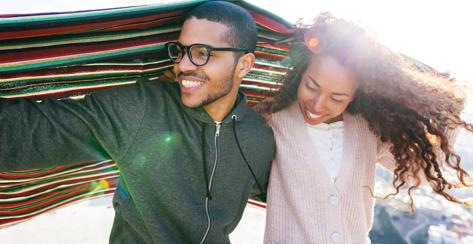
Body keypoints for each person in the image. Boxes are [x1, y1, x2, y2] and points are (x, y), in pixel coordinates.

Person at [0, 1, 275, 243]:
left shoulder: (261, 138)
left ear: (244, 65)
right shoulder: (142, 108)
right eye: (180, 52)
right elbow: (24, 134)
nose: (183, 66)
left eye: (202, 53)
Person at [257, 13, 472, 243]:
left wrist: (449, 115)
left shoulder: (367, 130)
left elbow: (416, 174)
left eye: (337, 98)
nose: (317, 104)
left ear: (355, 95)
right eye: (311, 86)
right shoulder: (273, 117)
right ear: (300, 74)